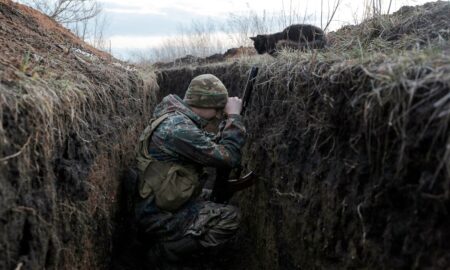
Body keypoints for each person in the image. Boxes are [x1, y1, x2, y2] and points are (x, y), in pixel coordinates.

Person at [134, 74, 246, 268]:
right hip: (157, 214)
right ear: (205, 103)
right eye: (218, 109)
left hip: (160, 197)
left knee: (213, 198)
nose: (220, 115)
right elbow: (229, 158)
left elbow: (206, 143)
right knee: (230, 217)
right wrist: (234, 117)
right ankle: (168, 251)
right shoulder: (178, 129)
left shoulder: (175, 117)